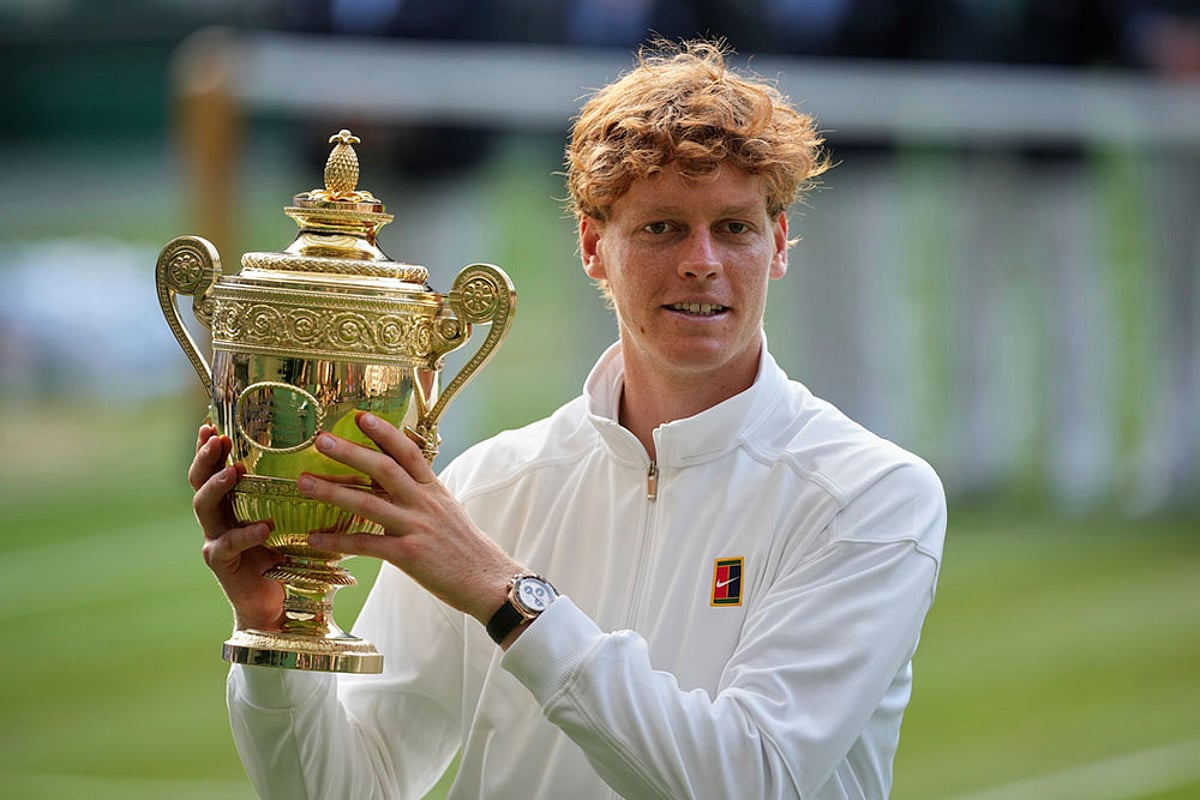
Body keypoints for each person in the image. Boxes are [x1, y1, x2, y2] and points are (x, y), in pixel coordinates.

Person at [190, 38, 946, 799]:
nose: (702, 261)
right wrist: (275, 636)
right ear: (592, 246)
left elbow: (748, 779)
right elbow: (347, 789)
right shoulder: (489, 486)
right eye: (661, 227)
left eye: (734, 228)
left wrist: (508, 599)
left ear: (777, 245)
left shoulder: (871, 495)